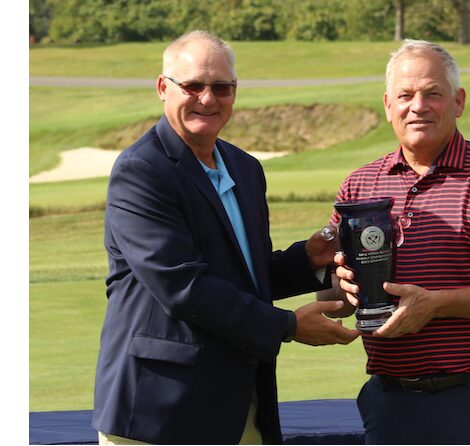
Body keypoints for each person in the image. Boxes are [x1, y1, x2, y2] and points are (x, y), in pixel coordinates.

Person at [93, 30, 360, 445]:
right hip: (158, 412)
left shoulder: (245, 167)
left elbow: (242, 275)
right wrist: (287, 326)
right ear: (163, 88)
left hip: (241, 407)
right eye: (193, 85)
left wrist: (306, 260)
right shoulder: (141, 171)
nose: (207, 98)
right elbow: (184, 286)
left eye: (221, 87)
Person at [318, 39, 470, 444]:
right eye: (406, 95)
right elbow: (334, 303)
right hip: (388, 401)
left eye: (433, 94)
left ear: (458, 102)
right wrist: (339, 284)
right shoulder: (359, 184)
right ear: (388, 104)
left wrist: (436, 304)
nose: (418, 106)